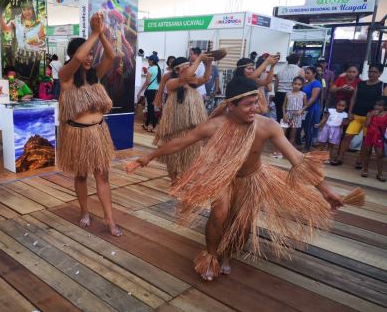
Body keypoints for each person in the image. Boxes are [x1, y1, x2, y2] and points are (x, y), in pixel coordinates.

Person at [126, 77, 360, 281]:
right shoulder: (215, 126)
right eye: (248, 104)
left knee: (242, 223)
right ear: (231, 105)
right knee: (219, 213)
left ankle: (228, 253)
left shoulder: (267, 126)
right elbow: (181, 142)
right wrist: (146, 158)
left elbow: (298, 159)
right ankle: (211, 255)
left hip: (252, 178)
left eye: (256, 102)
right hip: (222, 177)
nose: (255, 108)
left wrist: (326, 190)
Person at [58, 12, 122, 236]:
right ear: (74, 53)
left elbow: (111, 55)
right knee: (81, 175)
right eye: (84, 52)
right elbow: (77, 60)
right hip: (78, 134)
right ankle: (85, 210)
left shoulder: (95, 75)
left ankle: (110, 219)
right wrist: (94, 33)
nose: (87, 57)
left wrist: (101, 34)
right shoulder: (65, 77)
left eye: (90, 54)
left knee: (103, 176)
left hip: (99, 132)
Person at [152, 55, 212, 182]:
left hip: (191, 129)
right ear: (177, 70)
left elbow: (206, 78)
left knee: (190, 157)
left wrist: (209, 64)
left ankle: (184, 181)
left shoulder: (193, 84)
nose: (190, 69)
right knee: (173, 157)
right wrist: (199, 59)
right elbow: (184, 77)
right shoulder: (171, 83)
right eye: (187, 66)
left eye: (190, 66)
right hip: (175, 128)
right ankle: (174, 180)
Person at [332, 63, 387, 167]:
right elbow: (354, 98)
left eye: (375, 72)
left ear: (380, 73)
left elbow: (385, 103)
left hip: (371, 119)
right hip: (356, 116)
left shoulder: (383, 86)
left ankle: (360, 160)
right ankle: (340, 157)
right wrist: (350, 112)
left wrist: (378, 113)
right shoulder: (361, 84)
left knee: (366, 142)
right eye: (370, 71)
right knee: (347, 136)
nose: (371, 74)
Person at [361, 99, 387, 181]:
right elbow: (366, 125)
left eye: (380, 105)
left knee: (379, 154)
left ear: (385, 107)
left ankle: (380, 173)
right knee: (367, 152)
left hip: (379, 136)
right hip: (369, 134)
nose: (377, 107)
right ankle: (365, 170)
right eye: (376, 105)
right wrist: (370, 116)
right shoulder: (370, 113)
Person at [275, 54, 305, 123]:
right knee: (292, 118)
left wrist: (277, 94)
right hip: (292, 95)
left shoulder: (280, 71)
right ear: (298, 61)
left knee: (280, 116)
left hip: (279, 95)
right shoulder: (300, 70)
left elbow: (276, 86)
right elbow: (302, 85)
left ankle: (279, 132)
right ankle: (288, 133)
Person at [299, 66, 322, 151]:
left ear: (314, 74)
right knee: (302, 126)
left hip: (311, 108)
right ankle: (300, 144)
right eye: (305, 73)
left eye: (308, 73)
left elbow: (313, 98)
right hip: (304, 108)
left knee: (308, 128)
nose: (306, 74)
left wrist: (304, 107)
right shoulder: (306, 83)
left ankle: (307, 147)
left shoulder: (316, 83)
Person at [137, 52, 161, 132]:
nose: (148, 61)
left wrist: (140, 91)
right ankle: (147, 125)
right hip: (156, 91)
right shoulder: (158, 68)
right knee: (152, 108)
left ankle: (153, 126)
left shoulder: (150, 69)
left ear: (151, 61)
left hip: (150, 91)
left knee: (150, 109)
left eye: (148, 60)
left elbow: (147, 82)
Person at [282, 76, 307, 146]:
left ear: (302, 85)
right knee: (282, 132)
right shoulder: (288, 93)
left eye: (299, 84)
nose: (296, 86)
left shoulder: (303, 94)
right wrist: (284, 115)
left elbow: (306, 105)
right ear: (292, 84)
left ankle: (289, 149)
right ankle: (280, 149)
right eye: (295, 84)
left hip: (297, 115)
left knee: (293, 134)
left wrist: (301, 110)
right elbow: (284, 105)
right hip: (287, 114)